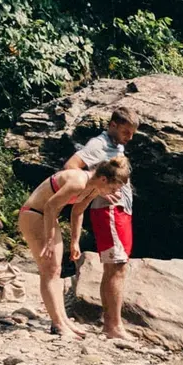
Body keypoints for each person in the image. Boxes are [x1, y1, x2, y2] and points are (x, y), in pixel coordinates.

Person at [17, 157, 131, 338]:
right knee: (49, 270)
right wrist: (49, 239)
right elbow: (50, 205)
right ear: (103, 179)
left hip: (47, 217)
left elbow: (78, 211)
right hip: (34, 215)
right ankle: (58, 324)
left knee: (56, 270)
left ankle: (63, 320)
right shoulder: (78, 182)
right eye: (113, 188)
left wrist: (75, 241)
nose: (114, 193)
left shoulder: (93, 188)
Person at [66, 106, 138, 339]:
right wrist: (99, 191)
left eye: (133, 133)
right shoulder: (98, 144)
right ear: (113, 125)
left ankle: (110, 324)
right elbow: (70, 168)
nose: (130, 138)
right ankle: (114, 327)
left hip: (120, 212)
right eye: (126, 132)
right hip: (109, 212)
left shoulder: (117, 146)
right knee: (116, 268)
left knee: (115, 268)